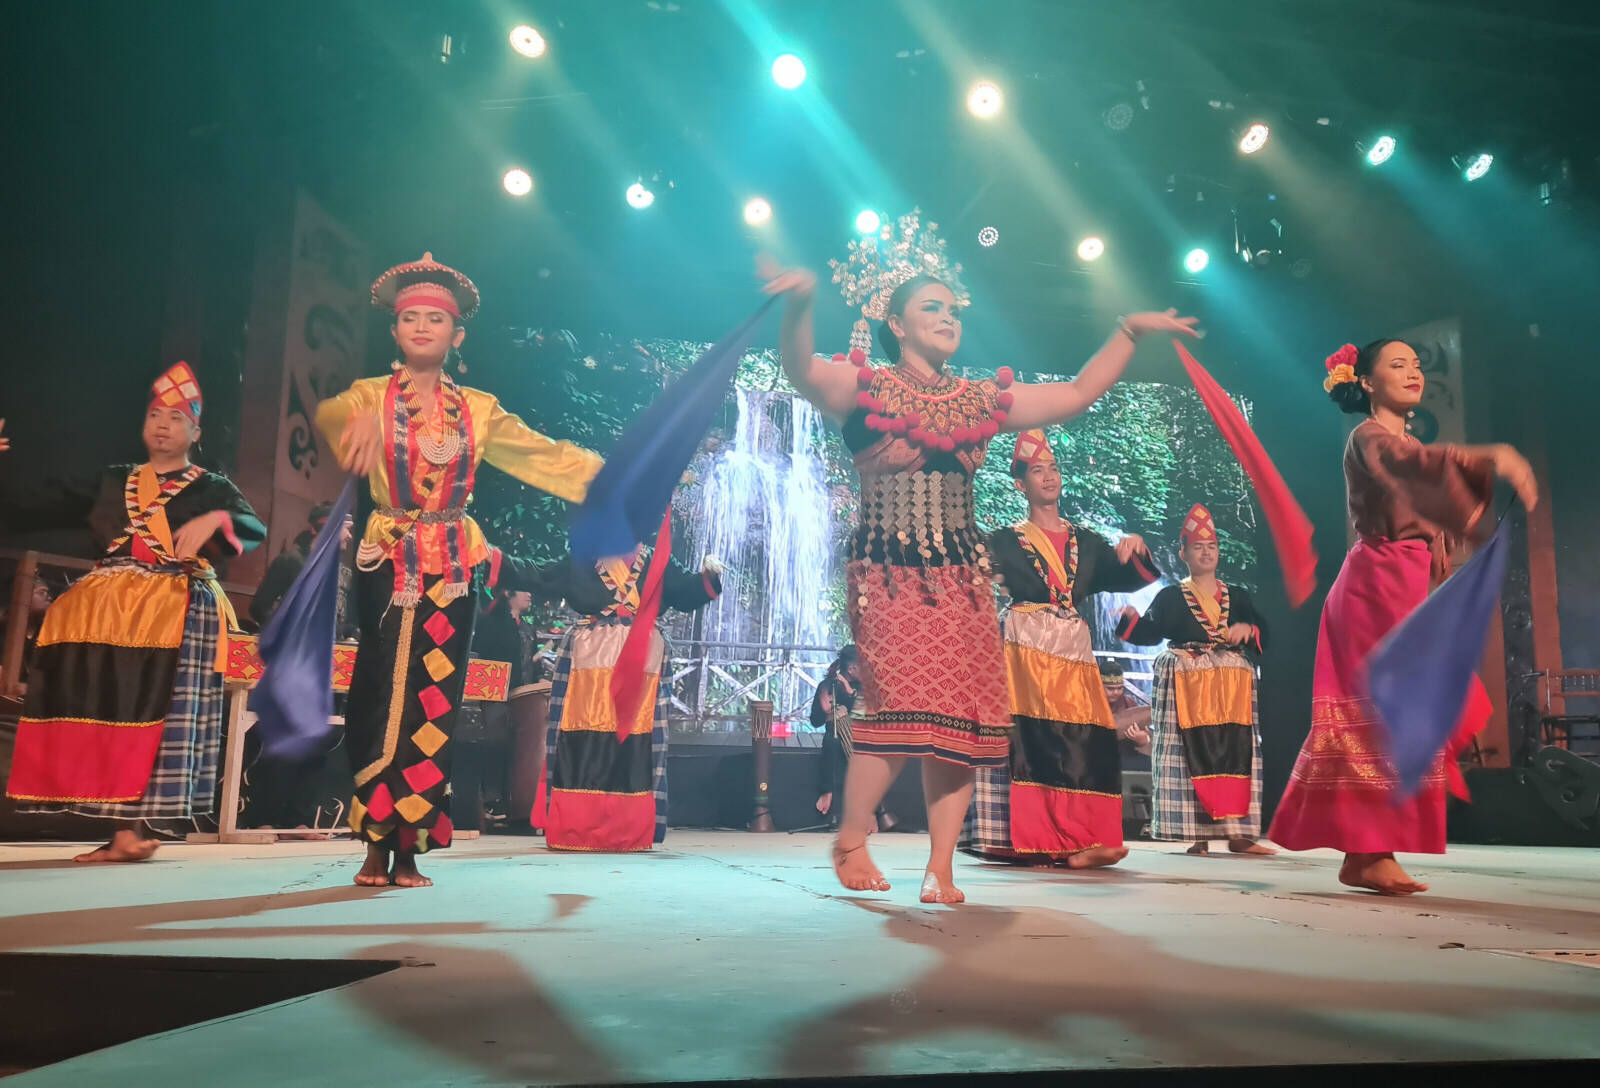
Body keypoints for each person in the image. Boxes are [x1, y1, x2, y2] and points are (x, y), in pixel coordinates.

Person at [763, 212, 1198, 903]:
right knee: (898, 708)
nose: (948, 316)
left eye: (952, 308)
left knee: (960, 726)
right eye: (930, 308)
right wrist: (802, 304)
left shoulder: (977, 400)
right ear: (896, 324)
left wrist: (1127, 333)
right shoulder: (864, 386)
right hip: (889, 576)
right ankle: (851, 836)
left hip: (962, 583)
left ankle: (941, 867)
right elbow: (797, 367)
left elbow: (1078, 394)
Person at [314, 253, 603, 888]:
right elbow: (329, 415)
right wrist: (351, 420)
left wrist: (614, 475)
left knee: (432, 699)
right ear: (394, 331)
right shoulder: (369, 397)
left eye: (435, 319)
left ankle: (410, 847)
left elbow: (543, 455)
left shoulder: (477, 409)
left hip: (451, 566)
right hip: (389, 559)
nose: (421, 327)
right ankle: (372, 841)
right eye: (410, 317)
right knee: (379, 693)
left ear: (456, 336)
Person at [1268, 339, 1537, 895]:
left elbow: (1426, 487)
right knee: (1389, 714)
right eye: (1398, 364)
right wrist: (1491, 456)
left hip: (1405, 585)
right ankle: (1368, 851)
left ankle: (1366, 853)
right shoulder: (1369, 437)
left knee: (1413, 712)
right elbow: (1410, 466)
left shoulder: (1408, 441)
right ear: (1366, 382)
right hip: (1375, 587)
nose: (1413, 371)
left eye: (1416, 364)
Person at [4, 363, 265, 861]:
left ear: (196, 431)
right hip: (106, 612)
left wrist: (215, 517)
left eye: (174, 416)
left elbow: (253, 529)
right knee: (111, 710)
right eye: (153, 415)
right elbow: (32, 508)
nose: (161, 424)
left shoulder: (210, 487)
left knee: (155, 715)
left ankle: (137, 826)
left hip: (174, 607)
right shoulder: (111, 481)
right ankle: (125, 831)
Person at [964, 429, 1159, 868]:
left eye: (1053, 468)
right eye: (1037, 470)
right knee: (1036, 738)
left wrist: (1136, 546)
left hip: (1072, 647)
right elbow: (968, 583)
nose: (1049, 477)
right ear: (1021, 484)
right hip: (1026, 644)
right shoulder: (1004, 541)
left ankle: (1089, 837)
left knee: (1089, 738)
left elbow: (1138, 578)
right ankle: (1041, 840)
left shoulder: (1086, 543)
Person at [532, 536, 722, 851]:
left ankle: (630, 827)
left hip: (641, 660)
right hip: (588, 660)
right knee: (580, 739)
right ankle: (577, 825)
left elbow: (685, 593)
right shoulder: (585, 556)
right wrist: (495, 561)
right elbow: (541, 575)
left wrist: (708, 578)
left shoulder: (656, 559)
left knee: (636, 744)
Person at [1117, 503, 1274, 856]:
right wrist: (1130, 620)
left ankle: (1239, 834)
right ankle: (1196, 834)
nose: (1206, 552)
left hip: (1230, 685)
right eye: (1198, 547)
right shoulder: (1171, 597)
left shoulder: (1239, 596)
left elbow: (1264, 632)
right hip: (1185, 677)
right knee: (1186, 752)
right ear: (1183, 553)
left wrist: (1248, 630)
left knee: (1236, 754)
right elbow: (1150, 631)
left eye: (1211, 546)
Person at [1100, 659, 1152, 771]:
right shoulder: (1087, 704)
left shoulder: (1129, 703)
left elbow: (1146, 737)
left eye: (1119, 688)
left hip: (1124, 759)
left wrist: (1143, 739)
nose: (1116, 692)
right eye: (1110, 689)